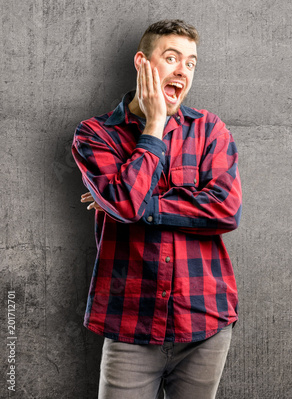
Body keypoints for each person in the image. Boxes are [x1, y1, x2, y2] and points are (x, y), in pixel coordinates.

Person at [71, 19, 242, 399]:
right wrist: (154, 126)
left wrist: (137, 206)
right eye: (171, 57)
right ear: (142, 62)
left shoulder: (210, 130)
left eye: (191, 63)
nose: (183, 70)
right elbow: (125, 203)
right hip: (130, 324)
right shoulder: (95, 135)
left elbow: (226, 210)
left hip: (205, 321)